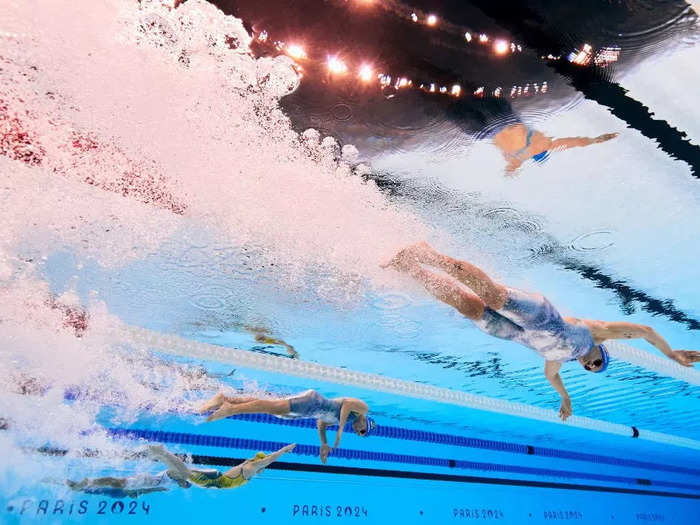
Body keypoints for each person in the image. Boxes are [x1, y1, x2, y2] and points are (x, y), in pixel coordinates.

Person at [383, 242, 700, 420]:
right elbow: (643, 330)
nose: (590, 365)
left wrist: (566, 398)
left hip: (514, 334)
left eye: (591, 369)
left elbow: (552, 377)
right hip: (541, 316)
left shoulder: (558, 361)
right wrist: (670, 353)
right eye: (598, 363)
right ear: (601, 353)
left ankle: (411, 267)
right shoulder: (595, 333)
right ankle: (429, 255)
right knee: (492, 294)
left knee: (468, 307)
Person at [199, 389, 375, 464]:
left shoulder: (344, 421)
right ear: (366, 424)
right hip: (312, 402)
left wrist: (324, 443)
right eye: (361, 432)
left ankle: (223, 400)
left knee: (270, 407)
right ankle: (231, 409)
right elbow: (346, 403)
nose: (357, 432)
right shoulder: (362, 409)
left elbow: (321, 422)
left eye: (360, 435)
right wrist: (341, 429)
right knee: (271, 407)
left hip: (307, 412)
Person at [67, 443, 295, 497]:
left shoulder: (250, 468)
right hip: (212, 479)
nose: (254, 463)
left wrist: (284, 450)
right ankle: (161, 453)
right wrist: (283, 452)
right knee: (183, 473)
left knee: (123, 485)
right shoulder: (250, 470)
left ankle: (88, 482)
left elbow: (266, 460)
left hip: (210, 479)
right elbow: (266, 460)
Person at [492, 123, 618, 173]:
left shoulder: (545, 146)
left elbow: (573, 142)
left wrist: (595, 140)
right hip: (498, 131)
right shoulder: (521, 156)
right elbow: (573, 142)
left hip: (507, 128)